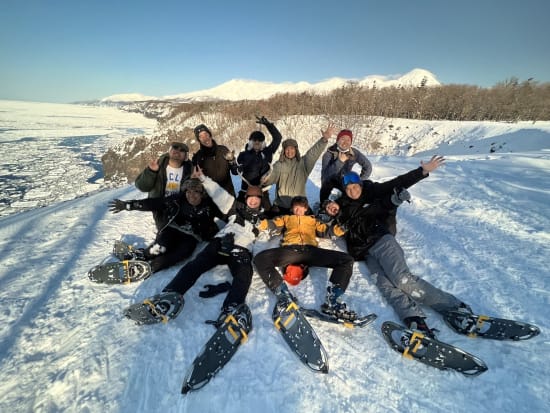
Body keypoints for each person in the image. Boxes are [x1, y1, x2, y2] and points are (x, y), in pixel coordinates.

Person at [324, 156, 472, 336]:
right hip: (366, 253)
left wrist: (422, 171)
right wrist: (327, 209)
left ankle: (454, 307)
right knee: (386, 287)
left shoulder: (373, 192)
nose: (352, 191)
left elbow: (397, 182)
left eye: (355, 187)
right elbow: (325, 217)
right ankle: (414, 318)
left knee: (403, 280)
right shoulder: (341, 205)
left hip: (382, 241)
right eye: (348, 189)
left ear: (361, 185)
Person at [157, 166, 267, 326]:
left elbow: (275, 229)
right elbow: (219, 194)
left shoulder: (263, 219)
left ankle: (232, 308)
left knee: (244, 275)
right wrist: (203, 178)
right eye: (250, 196)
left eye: (256, 197)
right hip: (221, 242)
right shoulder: (236, 208)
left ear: (260, 200)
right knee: (196, 264)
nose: (253, 200)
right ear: (246, 197)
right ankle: (170, 294)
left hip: (241, 250)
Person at [254, 195, 358, 321]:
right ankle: (284, 296)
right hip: (291, 250)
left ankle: (332, 300)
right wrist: (259, 222)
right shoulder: (286, 218)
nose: (298, 210)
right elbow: (272, 224)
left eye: (301, 208)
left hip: (311, 251)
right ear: (292, 209)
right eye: (295, 208)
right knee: (260, 259)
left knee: (346, 260)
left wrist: (342, 228)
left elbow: (327, 232)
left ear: (306, 209)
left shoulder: (313, 220)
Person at [108, 178, 224, 273]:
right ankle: (142, 256)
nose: (191, 195)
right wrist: (130, 205)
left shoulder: (209, 206)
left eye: (195, 192)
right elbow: (155, 203)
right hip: (173, 229)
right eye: (188, 191)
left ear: (202, 194)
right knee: (161, 246)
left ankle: (152, 266)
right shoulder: (178, 200)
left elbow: (227, 214)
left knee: (182, 252)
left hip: (191, 236)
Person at [261, 123, 336, 215]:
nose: (289, 151)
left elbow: (313, 153)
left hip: (300, 205)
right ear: (284, 151)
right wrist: (266, 180)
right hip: (281, 206)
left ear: (296, 150)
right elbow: (272, 176)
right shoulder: (279, 165)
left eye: (292, 149)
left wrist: (324, 140)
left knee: (311, 225)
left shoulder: (303, 163)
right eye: (287, 149)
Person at [134, 142, 193, 230]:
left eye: (182, 150)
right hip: (160, 208)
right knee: (167, 233)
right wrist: (151, 171)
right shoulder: (158, 165)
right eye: (175, 148)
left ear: (185, 157)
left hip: (181, 207)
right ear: (170, 151)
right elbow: (142, 187)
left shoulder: (190, 170)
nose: (177, 151)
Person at [236, 116, 282, 212]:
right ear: (250, 142)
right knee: (238, 213)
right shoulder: (243, 155)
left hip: (262, 191)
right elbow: (236, 169)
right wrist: (237, 167)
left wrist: (268, 125)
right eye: (254, 140)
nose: (257, 142)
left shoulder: (268, 152)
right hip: (246, 190)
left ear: (263, 142)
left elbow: (278, 138)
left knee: (267, 213)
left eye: (260, 140)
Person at [320, 129, 372, 203]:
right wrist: (339, 162)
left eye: (348, 140)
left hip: (346, 181)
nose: (345, 142)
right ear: (337, 140)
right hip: (330, 181)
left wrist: (359, 181)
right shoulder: (329, 154)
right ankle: (323, 205)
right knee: (326, 184)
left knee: (360, 189)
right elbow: (325, 175)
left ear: (351, 142)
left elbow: (368, 166)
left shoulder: (354, 152)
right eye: (342, 139)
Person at [192, 124, 238, 197]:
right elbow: (195, 181)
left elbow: (235, 172)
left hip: (229, 194)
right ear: (199, 140)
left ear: (210, 135)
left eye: (205, 134)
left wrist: (232, 162)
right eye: (201, 136)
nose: (205, 138)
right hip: (211, 198)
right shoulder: (197, 157)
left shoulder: (223, 150)